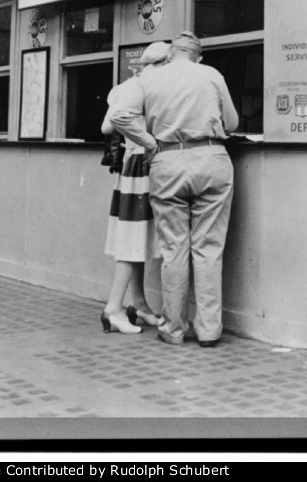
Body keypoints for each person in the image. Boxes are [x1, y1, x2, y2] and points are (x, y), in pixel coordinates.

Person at [111, 31, 239, 348]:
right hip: (211, 159)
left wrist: (150, 141)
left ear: (170, 55)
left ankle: (174, 328)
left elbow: (119, 115)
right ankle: (209, 331)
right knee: (209, 249)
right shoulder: (211, 74)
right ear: (198, 55)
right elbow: (232, 123)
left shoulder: (149, 79)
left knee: (174, 249)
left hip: (167, 161)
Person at [98, 40, 172, 334]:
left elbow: (107, 125)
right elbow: (113, 123)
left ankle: (138, 304)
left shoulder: (125, 87)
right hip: (142, 164)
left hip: (133, 166)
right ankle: (113, 309)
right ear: (163, 63)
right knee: (132, 240)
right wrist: (146, 138)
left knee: (136, 238)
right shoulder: (143, 86)